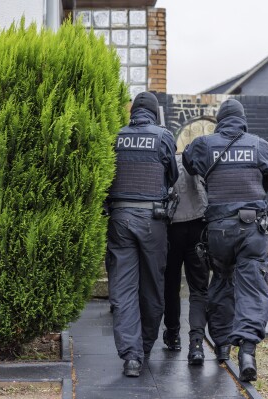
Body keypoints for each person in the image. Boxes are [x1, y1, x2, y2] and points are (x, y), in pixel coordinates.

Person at [182, 98, 268, 382]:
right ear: (243, 119)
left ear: (220, 119)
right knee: (252, 287)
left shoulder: (204, 144)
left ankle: (222, 343)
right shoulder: (259, 145)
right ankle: (247, 351)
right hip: (252, 227)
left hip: (218, 230)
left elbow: (188, 162)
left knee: (222, 281)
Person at [106, 91, 178, 378]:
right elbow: (172, 175)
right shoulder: (163, 137)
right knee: (152, 286)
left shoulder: (117, 137)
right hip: (153, 220)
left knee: (122, 289)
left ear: (133, 111)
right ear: (155, 112)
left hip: (120, 219)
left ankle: (131, 356)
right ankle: (144, 347)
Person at [162, 153, 210, 365]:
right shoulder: (198, 162)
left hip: (172, 228)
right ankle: (197, 344)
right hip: (198, 227)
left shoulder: (168, 161)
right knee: (199, 289)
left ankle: (173, 336)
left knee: (171, 285)